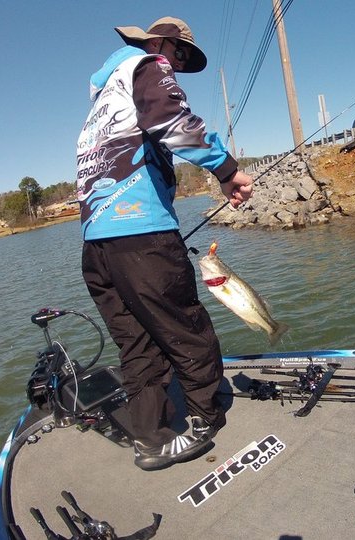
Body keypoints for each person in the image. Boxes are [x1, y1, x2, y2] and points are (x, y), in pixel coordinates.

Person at [76, 17, 253, 471]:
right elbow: (175, 122)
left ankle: (151, 439)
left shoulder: (103, 97)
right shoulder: (148, 65)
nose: (176, 64)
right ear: (159, 43)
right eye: (178, 53)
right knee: (186, 330)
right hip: (142, 232)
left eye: (180, 59)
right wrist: (227, 169)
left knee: (136, 344)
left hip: (97, 244)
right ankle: (202, 420)